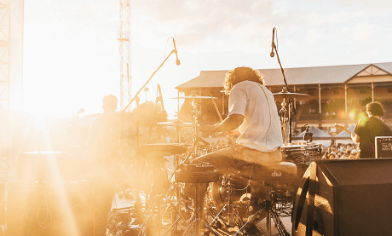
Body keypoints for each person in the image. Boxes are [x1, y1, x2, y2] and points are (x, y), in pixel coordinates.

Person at [193, 66, 283, 210]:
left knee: (196, 166)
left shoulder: (239, 87)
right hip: (275, 155)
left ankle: (195, 215)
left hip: (253, 154)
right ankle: (254, 209)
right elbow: (254, 124)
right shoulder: (266, 92)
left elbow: (235, 120)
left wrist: (213, 128)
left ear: (232, 80)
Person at [87, 94, 122, 236]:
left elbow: (115, 146)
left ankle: (101, 232)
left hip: (108, 170)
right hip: (100, 170)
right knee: (98, 208)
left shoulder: (115, 123)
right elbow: (91, 147)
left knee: (104, 207)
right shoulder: (100, 123)